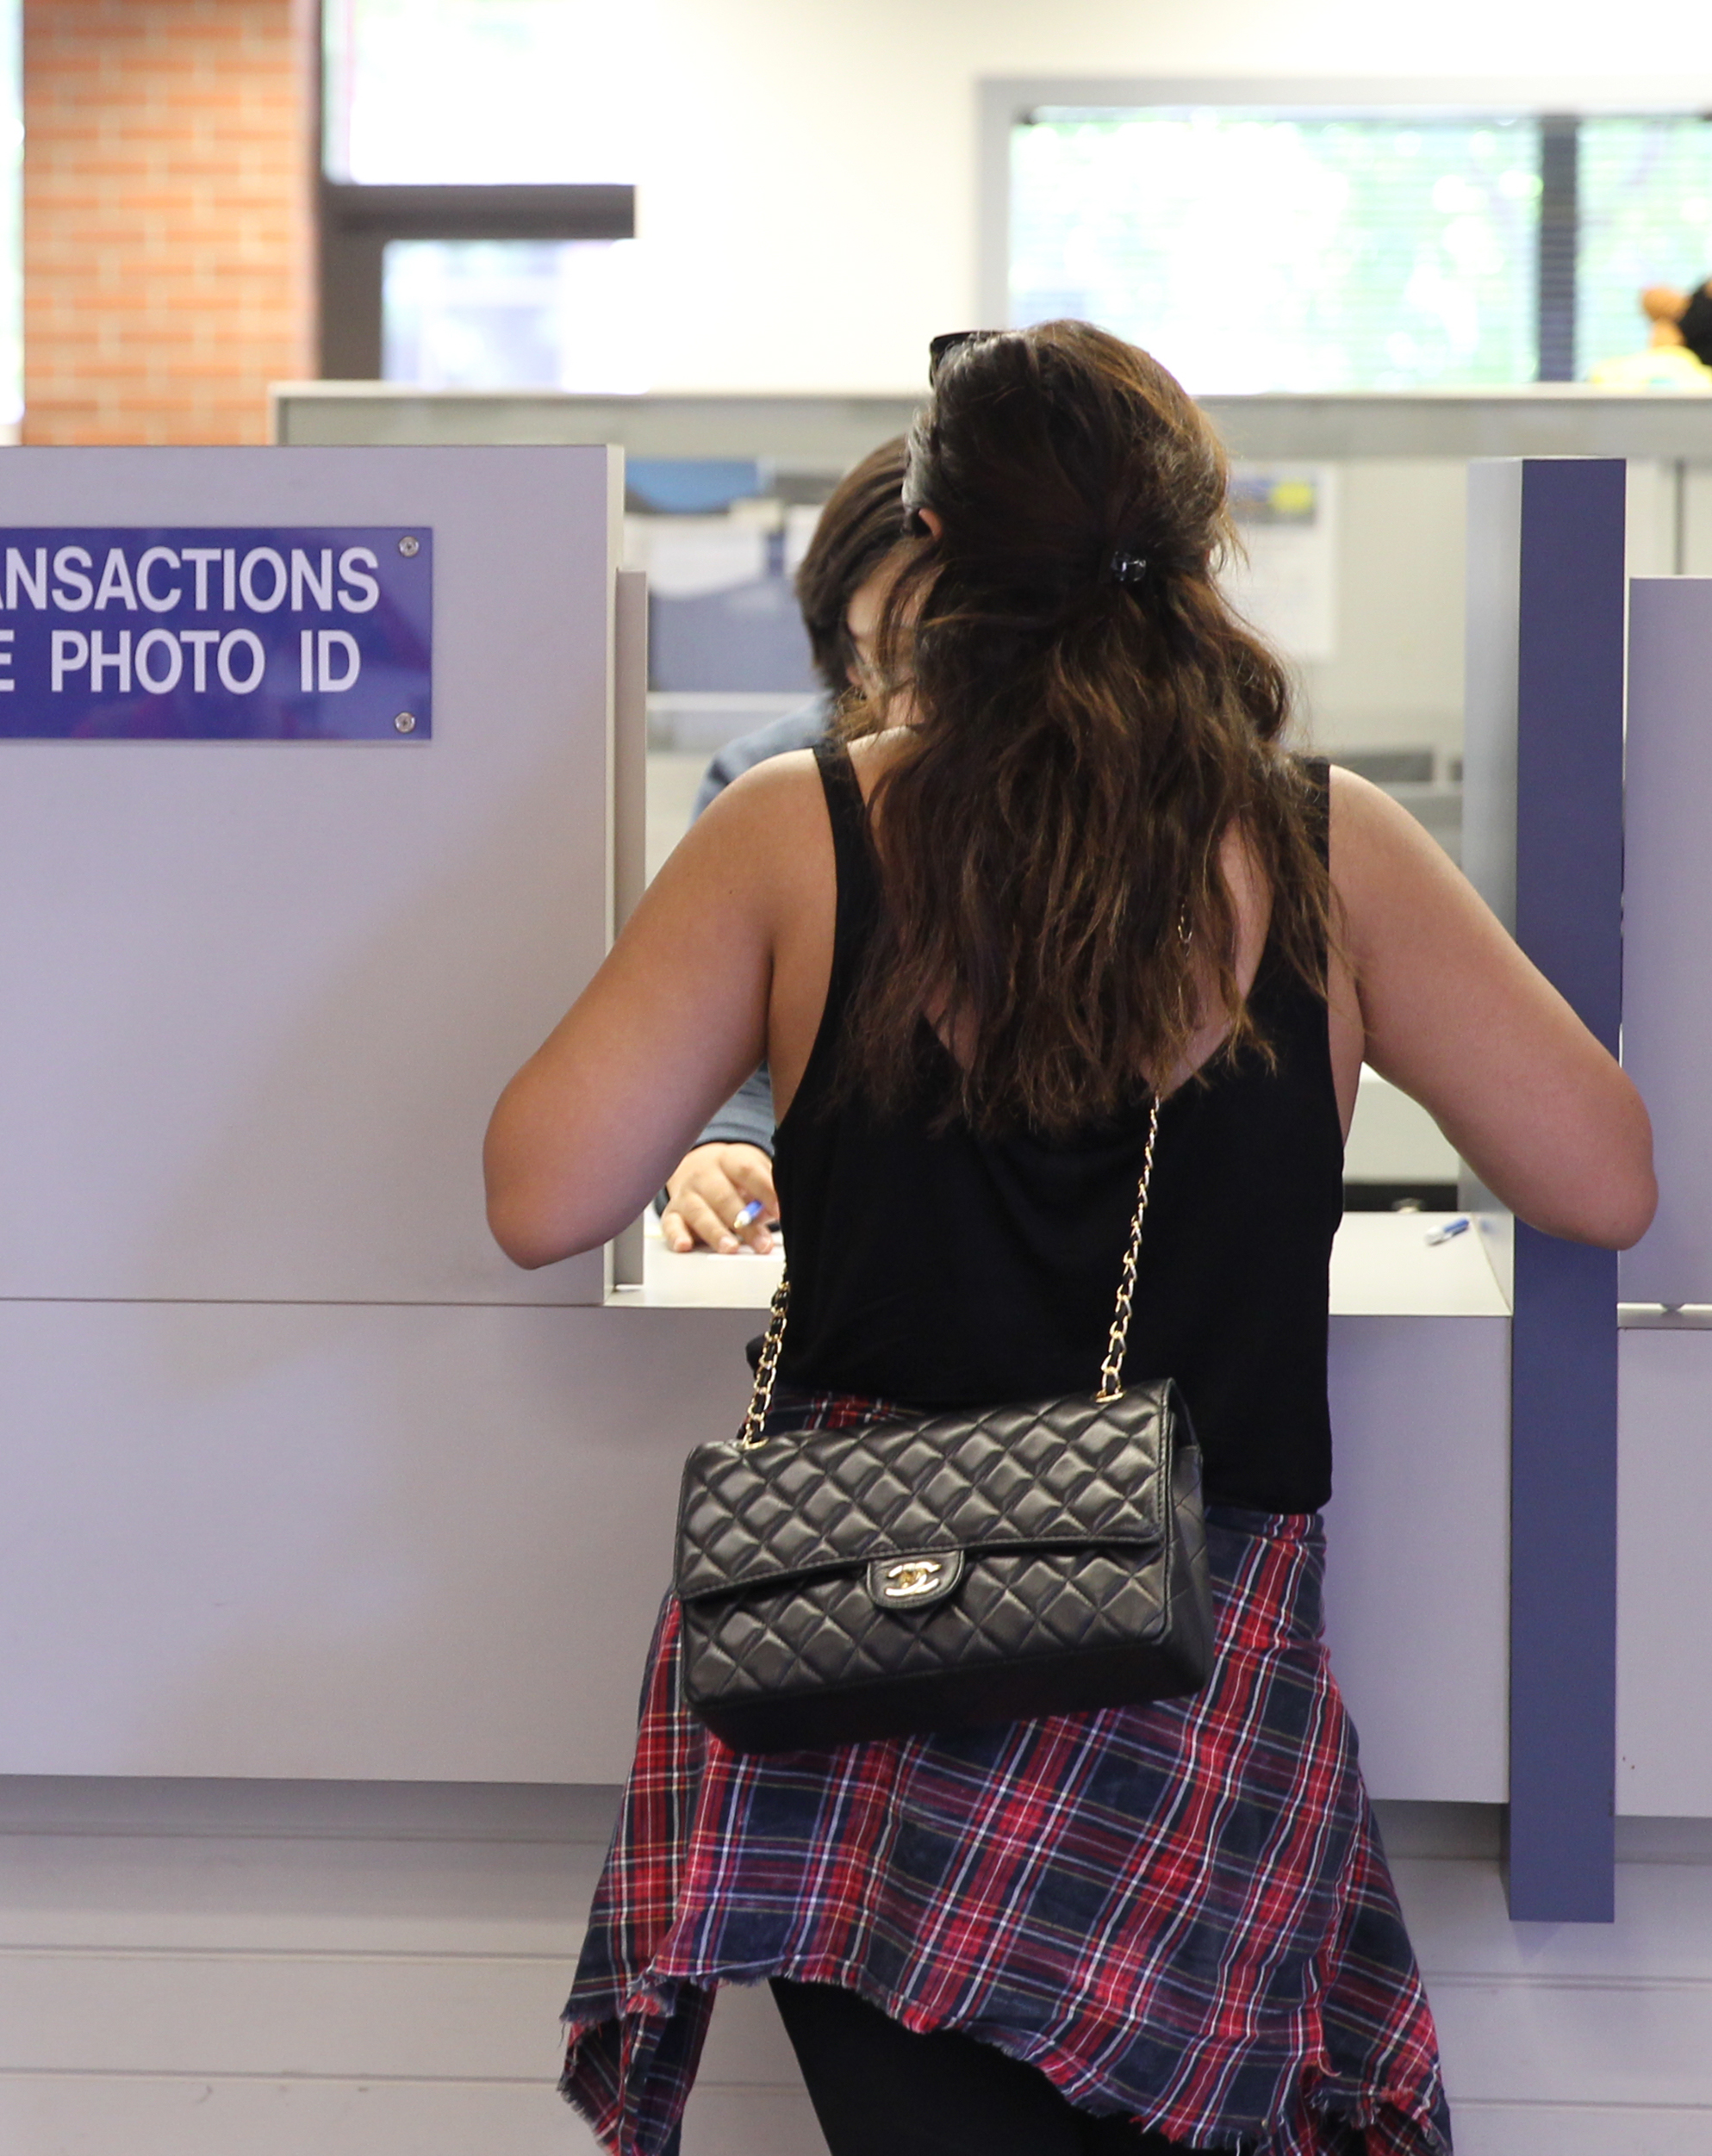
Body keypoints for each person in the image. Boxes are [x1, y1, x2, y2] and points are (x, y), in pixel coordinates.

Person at [486, 322, 1652, 2152]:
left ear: (932, 547)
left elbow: (540, 1191)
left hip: (848, 1673)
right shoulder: (1322, 845)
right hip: (1189, 1694)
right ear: (1194, 544)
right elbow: (1601, 1178)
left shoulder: (801, 828)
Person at [658, 438, 912, 1255]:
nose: (924, 701)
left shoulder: (1121, 799)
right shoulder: (770, 784)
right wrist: (716, 1150)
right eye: (887, 659)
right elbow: (718, 1042)